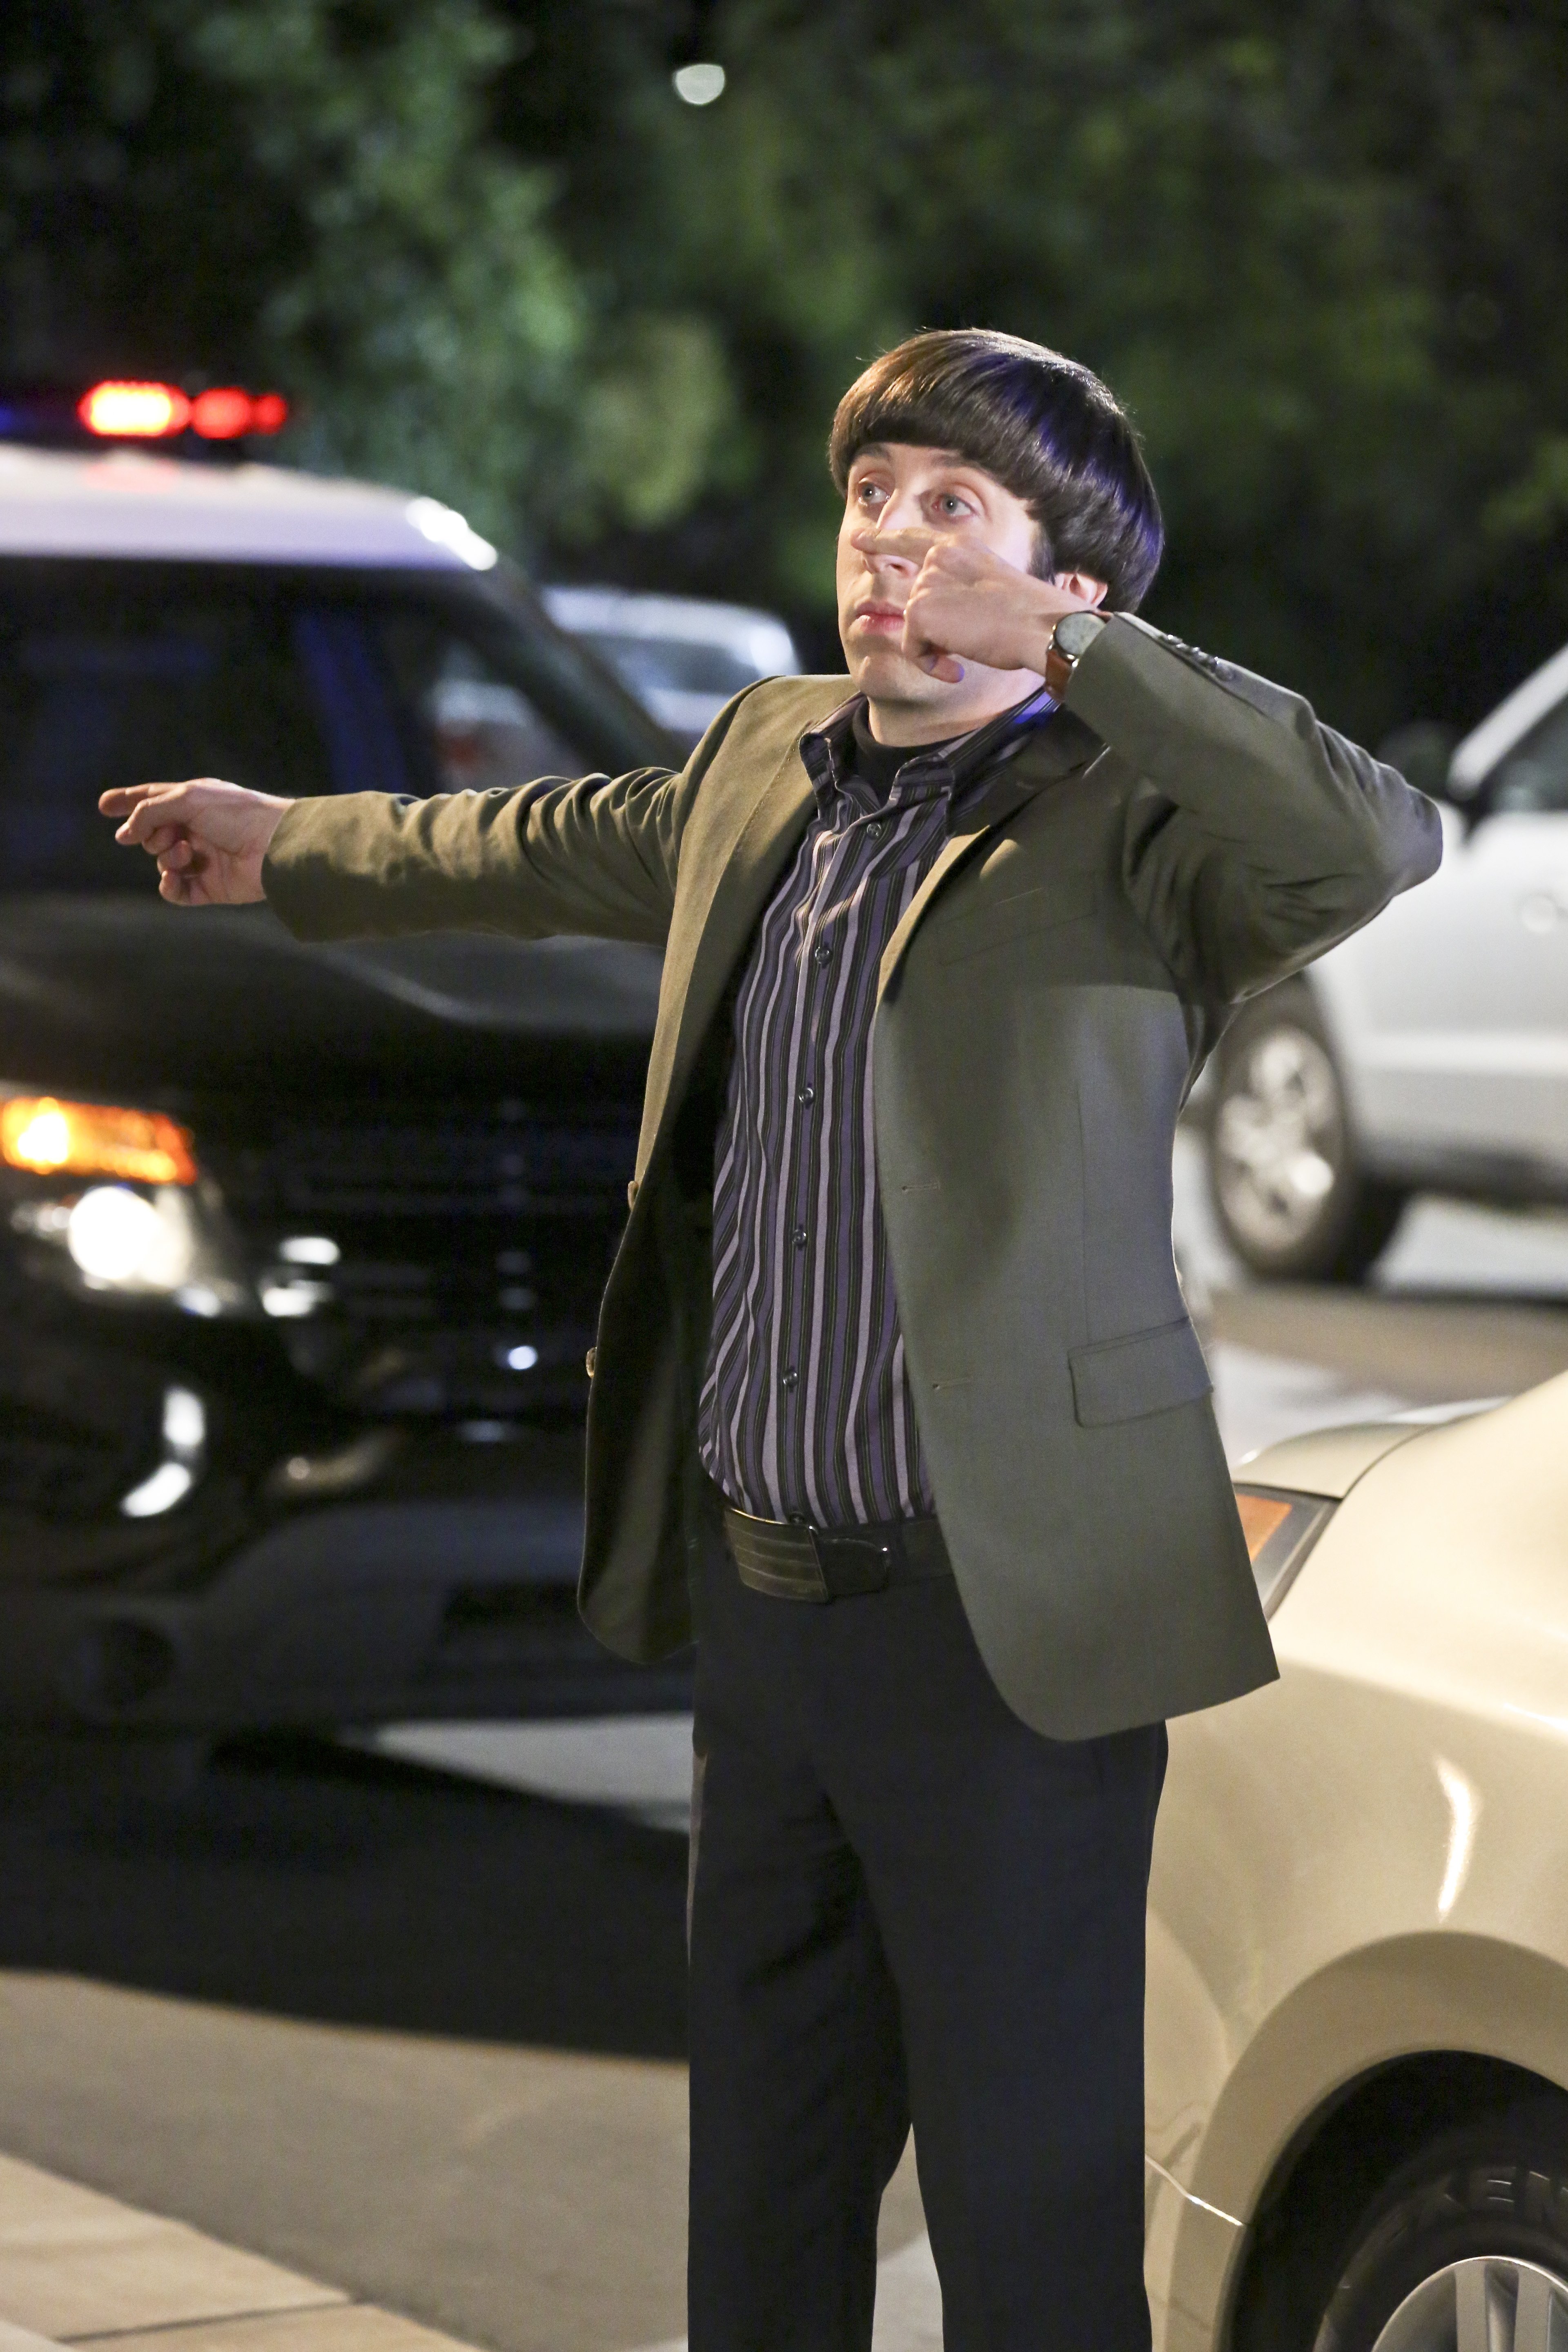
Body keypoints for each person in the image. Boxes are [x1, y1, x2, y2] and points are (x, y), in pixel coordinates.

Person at [102, 328, 1440, 2351]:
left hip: (1002, 1629)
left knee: (1028, 2220)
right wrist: (286, 841)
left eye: (954, 509)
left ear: (1073, 582)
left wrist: (1083, 662)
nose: (889, 541)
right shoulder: (768, 759)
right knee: (766, 2196)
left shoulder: (1147, 826)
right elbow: (538, 840)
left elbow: (1376, 838)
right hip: (767, 1618)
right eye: (872, 497)